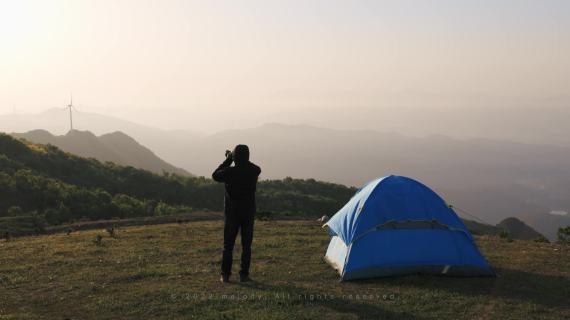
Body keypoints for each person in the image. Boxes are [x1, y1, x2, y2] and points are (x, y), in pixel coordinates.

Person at [212, 144, 261, 283]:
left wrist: (229, 159)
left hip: (232, 213)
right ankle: (244, 275)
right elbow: (254, 167)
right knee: (246, 245)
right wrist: (239, 158)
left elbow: (215, 175)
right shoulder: (254, 171)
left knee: (228, 245)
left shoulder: (229, 172)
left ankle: (225, 275)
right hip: (248, 212)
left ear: (235, 157)